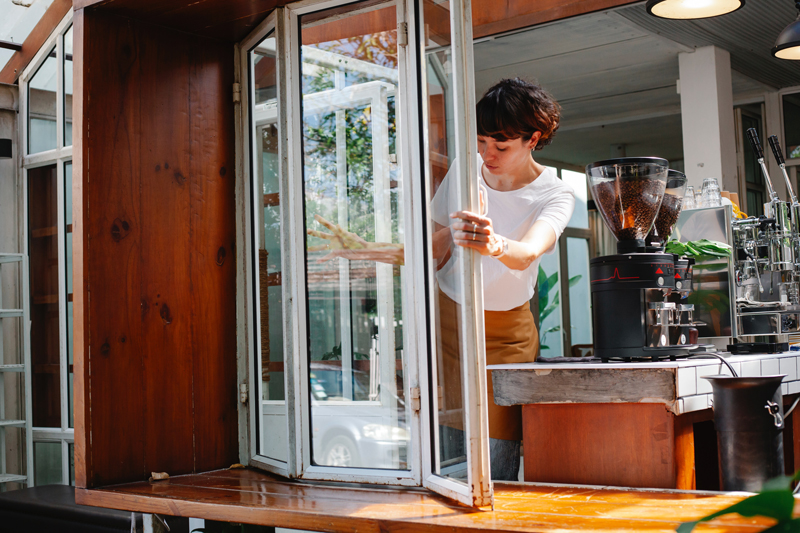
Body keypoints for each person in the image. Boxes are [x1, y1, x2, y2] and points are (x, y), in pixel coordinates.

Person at [309, 78, 575, 481]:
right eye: (482, 141)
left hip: (507, 336)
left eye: (500, 145)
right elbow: (433, 245)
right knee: (443, 456)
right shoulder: (467, 172)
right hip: (448, 321)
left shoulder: (554, 194)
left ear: (533, 138)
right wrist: (363, 248)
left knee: (494, 462)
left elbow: (528, 254)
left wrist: (492, 242)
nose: (487, 154)